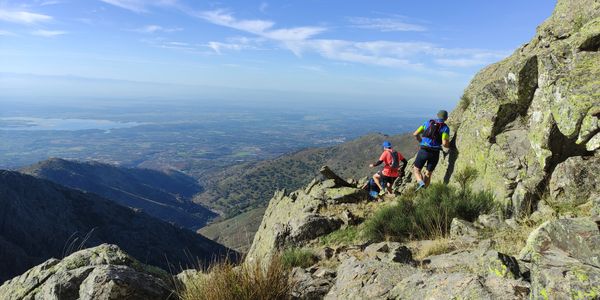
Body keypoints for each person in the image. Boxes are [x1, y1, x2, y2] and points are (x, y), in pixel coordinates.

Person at [412, 110, 451, 190]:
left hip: (424, 151)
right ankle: (424, 190)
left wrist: (421, 141)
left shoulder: (428, 123)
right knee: (428, 173)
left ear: (437, 115)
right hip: (435, 153)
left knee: (416, 170)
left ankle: (420, 182)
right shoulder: (445, 128)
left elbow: (415, 134)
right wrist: (450, 146)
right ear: (446, 118)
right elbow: (444, 143)